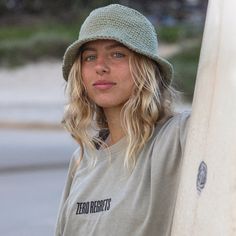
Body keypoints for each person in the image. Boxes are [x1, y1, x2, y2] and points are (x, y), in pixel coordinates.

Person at [55, 4, 190, 236]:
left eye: (117, 54)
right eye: (89, 57)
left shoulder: (179, 135)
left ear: (145, 66)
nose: (100, 67)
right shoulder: (82, 160)